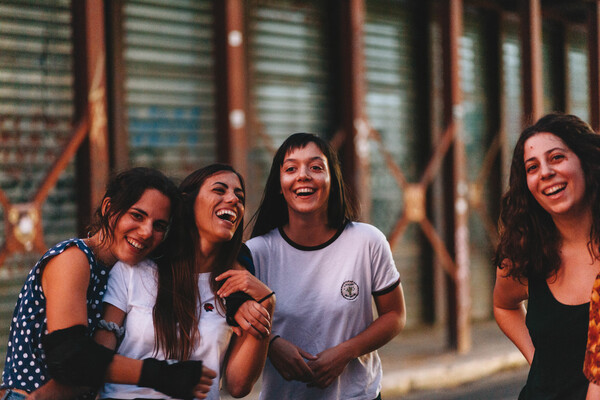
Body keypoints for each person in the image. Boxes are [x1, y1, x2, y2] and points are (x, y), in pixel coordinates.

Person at [1, 167, 215, 400]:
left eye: (159, 226)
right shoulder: (74, 258)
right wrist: (162, 376)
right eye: (137, 215)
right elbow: (70, 357)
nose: (146, 232)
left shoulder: (128, 272)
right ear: (109, 208)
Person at [229, 132, 406, 399]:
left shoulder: (367, 241)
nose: (303, 176)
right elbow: (235, 325)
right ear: (279, 184)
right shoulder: (255, 254)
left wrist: (346, 352)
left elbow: (395, 315)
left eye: (315, 167)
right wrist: (272, 345)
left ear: (332, 180)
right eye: (291, 168)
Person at [95, 163, 275, 400]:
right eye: (219, 190)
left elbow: (238, 386)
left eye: (239, 196)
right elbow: (97, 361)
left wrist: (267, 303)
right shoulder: (133, 271)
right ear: (187, 203)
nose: (233, 199)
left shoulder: (234, 288)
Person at [493, 113, 600, 399]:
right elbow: (504, 306)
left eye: (556, 158)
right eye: (532, 167)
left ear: (586, 162)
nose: (545, 172)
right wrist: (536, 359)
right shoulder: (524, 253)